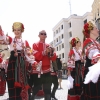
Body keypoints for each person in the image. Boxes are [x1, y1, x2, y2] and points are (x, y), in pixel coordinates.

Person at [0, 22, 34, 100]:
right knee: (12, 85)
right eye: (15, 30)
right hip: (13, 64)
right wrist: (1, 30)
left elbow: (27, 54)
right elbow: (4, 38)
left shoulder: (25, 41)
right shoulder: (11, 39)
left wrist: (33, 61)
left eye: (18, 30)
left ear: (21, 30)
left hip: (22, 65)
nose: (16, 31)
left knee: (22, 85)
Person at [32, 30, 57, 100]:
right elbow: (36, 56)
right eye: (41, 34)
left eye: (44, 34)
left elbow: (54, 58)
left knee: (48, 89)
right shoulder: (35, 44)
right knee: (36, 88)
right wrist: (45, 52)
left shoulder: (49, 46)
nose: (43, 35)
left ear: (46, 36)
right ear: (38, 35)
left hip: (47, 70)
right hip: (38, 71)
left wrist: (52, 53)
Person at [80, 21, 100, 100]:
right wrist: (98, 58)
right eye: (96, 28)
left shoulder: (96, 42)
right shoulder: (88, 41)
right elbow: (93, 53)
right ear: (91, 30)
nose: (98, 30)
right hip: (93, 73)